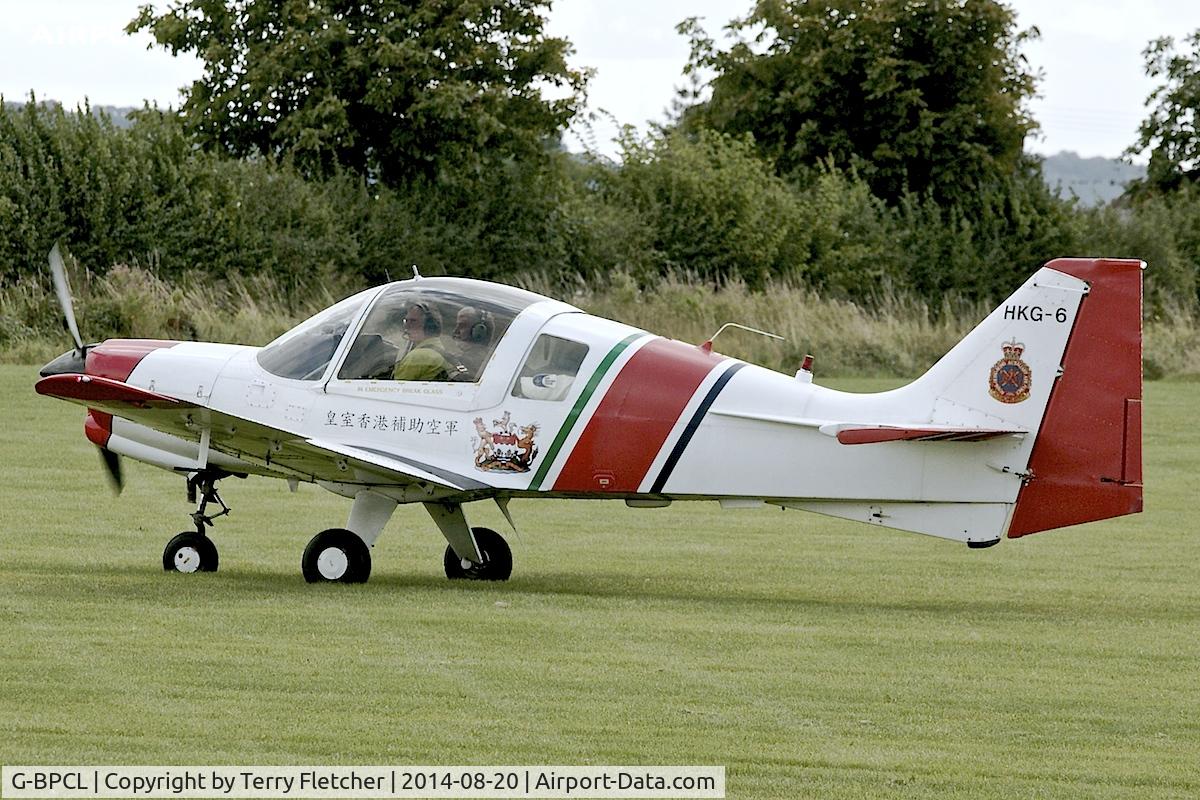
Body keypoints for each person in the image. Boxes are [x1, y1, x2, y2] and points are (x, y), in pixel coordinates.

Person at [392, 302, 456, 381]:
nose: (406, 326)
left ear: (429, 324)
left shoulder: (416, 357)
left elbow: (397, 388)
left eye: (413, 321)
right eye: (406, 321)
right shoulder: (441, 351)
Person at [451, 306, 495, 379]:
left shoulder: (462, 363)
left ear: (479, 331)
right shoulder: (493, 360)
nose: (455, 332)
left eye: (462, 326)